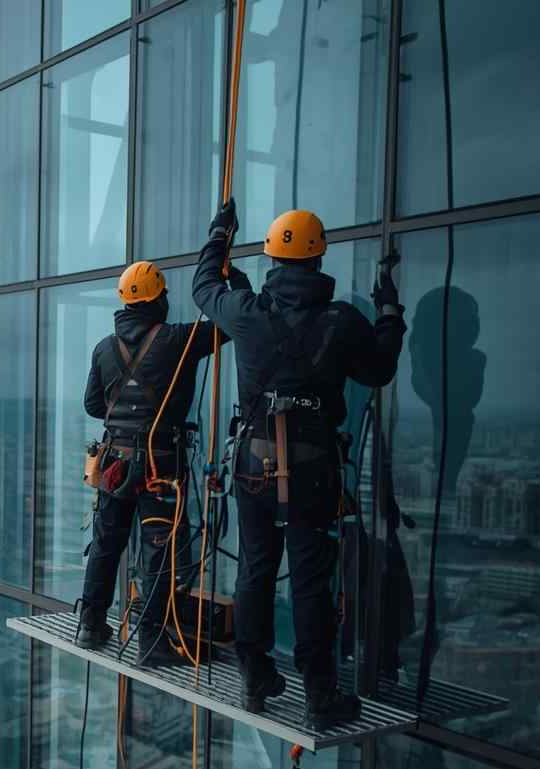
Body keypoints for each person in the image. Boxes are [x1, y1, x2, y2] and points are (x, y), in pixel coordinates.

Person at [192, 200, 406, 727]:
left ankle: (254, 675)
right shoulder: (341, 320)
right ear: (318, 259)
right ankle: (318, 694)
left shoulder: (247, 311)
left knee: (256, 567)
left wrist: (220, 233)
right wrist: (390, 315)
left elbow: (202, 288)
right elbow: (378, 369)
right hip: (311, 469)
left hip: (254, 463)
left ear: (271, 257)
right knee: (310, 577)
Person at [77, 260, 233, 660]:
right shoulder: (177, 339)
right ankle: (152, 639)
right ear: (157, 299)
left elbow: (94, 404)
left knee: (106, 544)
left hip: (115, 462)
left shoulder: (102, 349)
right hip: (158, 466)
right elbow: (232, 325)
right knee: (159, 551)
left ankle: (91, 625)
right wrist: (227, 282)